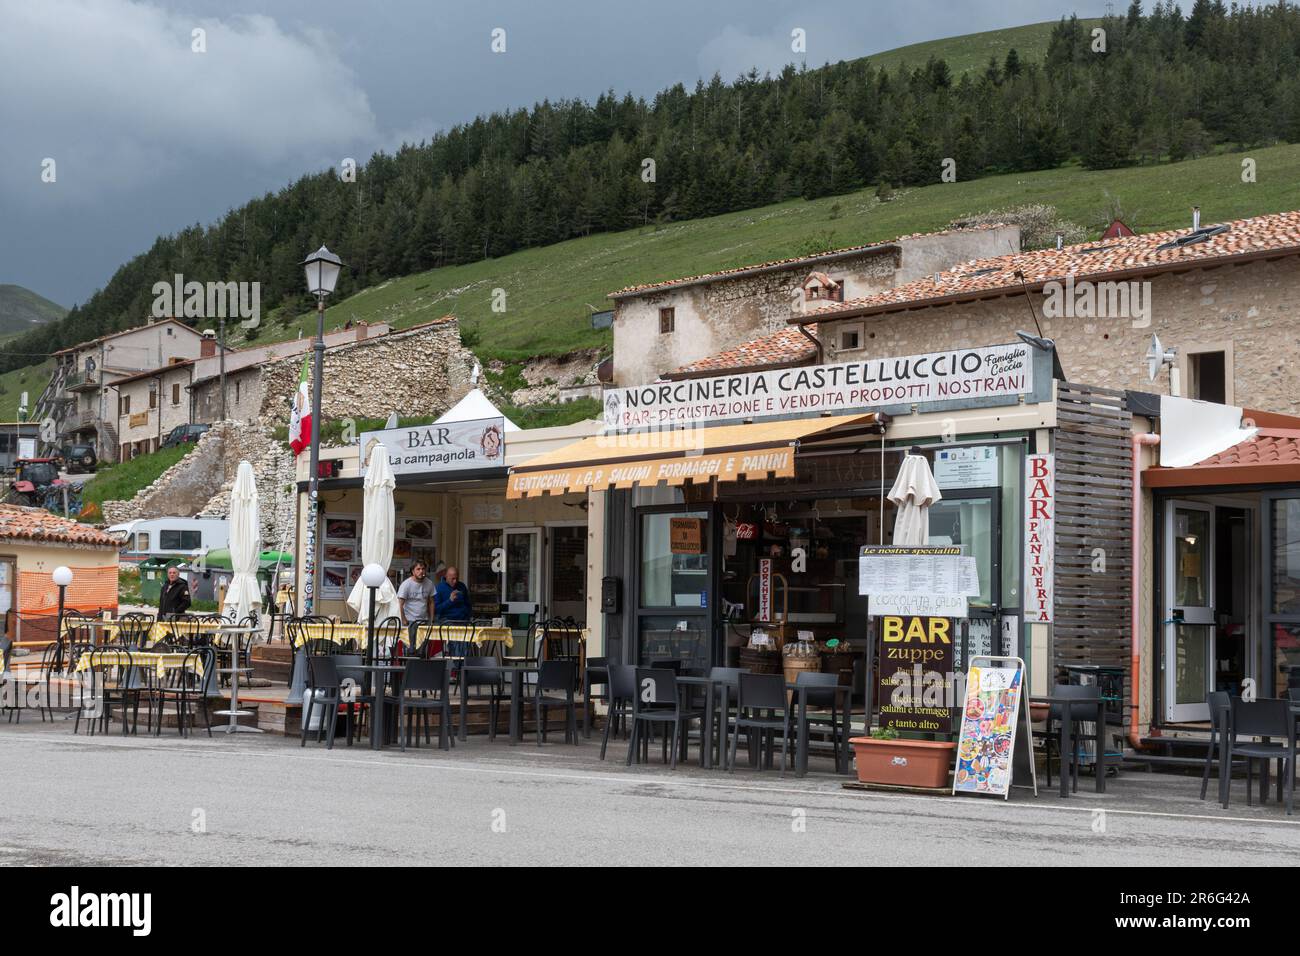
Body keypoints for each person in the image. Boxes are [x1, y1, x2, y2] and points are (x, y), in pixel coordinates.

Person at [396, 560, 436, 650]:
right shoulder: (406, 584)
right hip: (410, 621)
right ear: (413, 571)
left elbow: (431, 602)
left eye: (423, 569)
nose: (421, 571)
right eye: (418, 569)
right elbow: (400, 604)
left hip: (424, 621)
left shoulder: (429, 583)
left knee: (423, 648)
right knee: (410, 647)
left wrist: (432, 619)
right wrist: (403, 619)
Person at [434, 565, 472, 657]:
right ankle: (456, 666)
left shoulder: (461, 586)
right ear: (446, 577)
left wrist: (468, 614)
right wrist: (449, 601)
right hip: (447, 620)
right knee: (455, 643)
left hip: (463, 620)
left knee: (467, 644)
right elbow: (437, 609)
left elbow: (468, 604)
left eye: (456, 578)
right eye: (452, 579)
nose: (455, 581)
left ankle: (463, 666)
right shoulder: (439, 588)